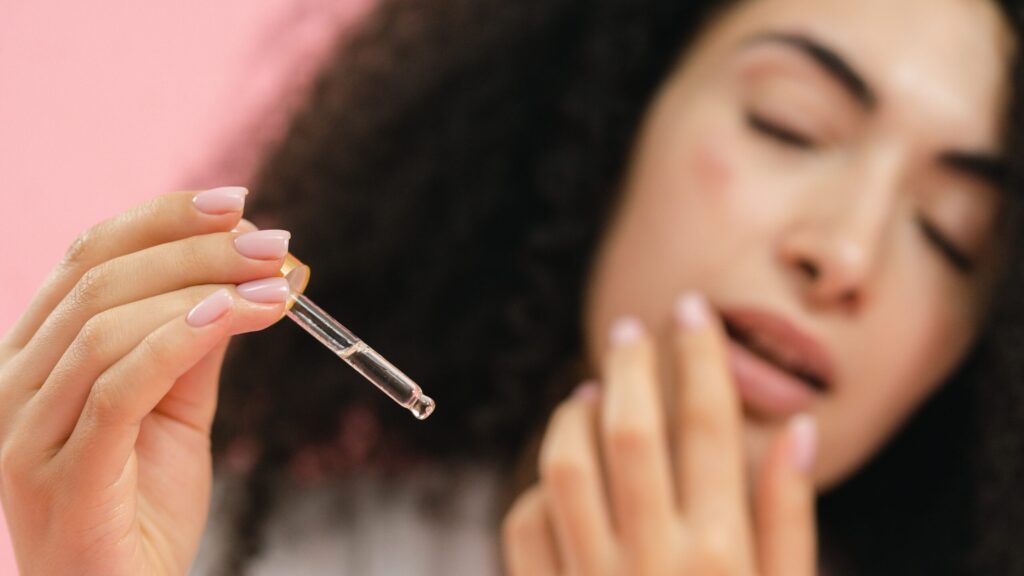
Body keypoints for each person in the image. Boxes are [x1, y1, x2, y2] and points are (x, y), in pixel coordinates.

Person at [2, 0, 1023, 573]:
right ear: (611, 129)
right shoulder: (231, 552)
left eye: (952, 235)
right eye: (787, 124)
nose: (843, 254)